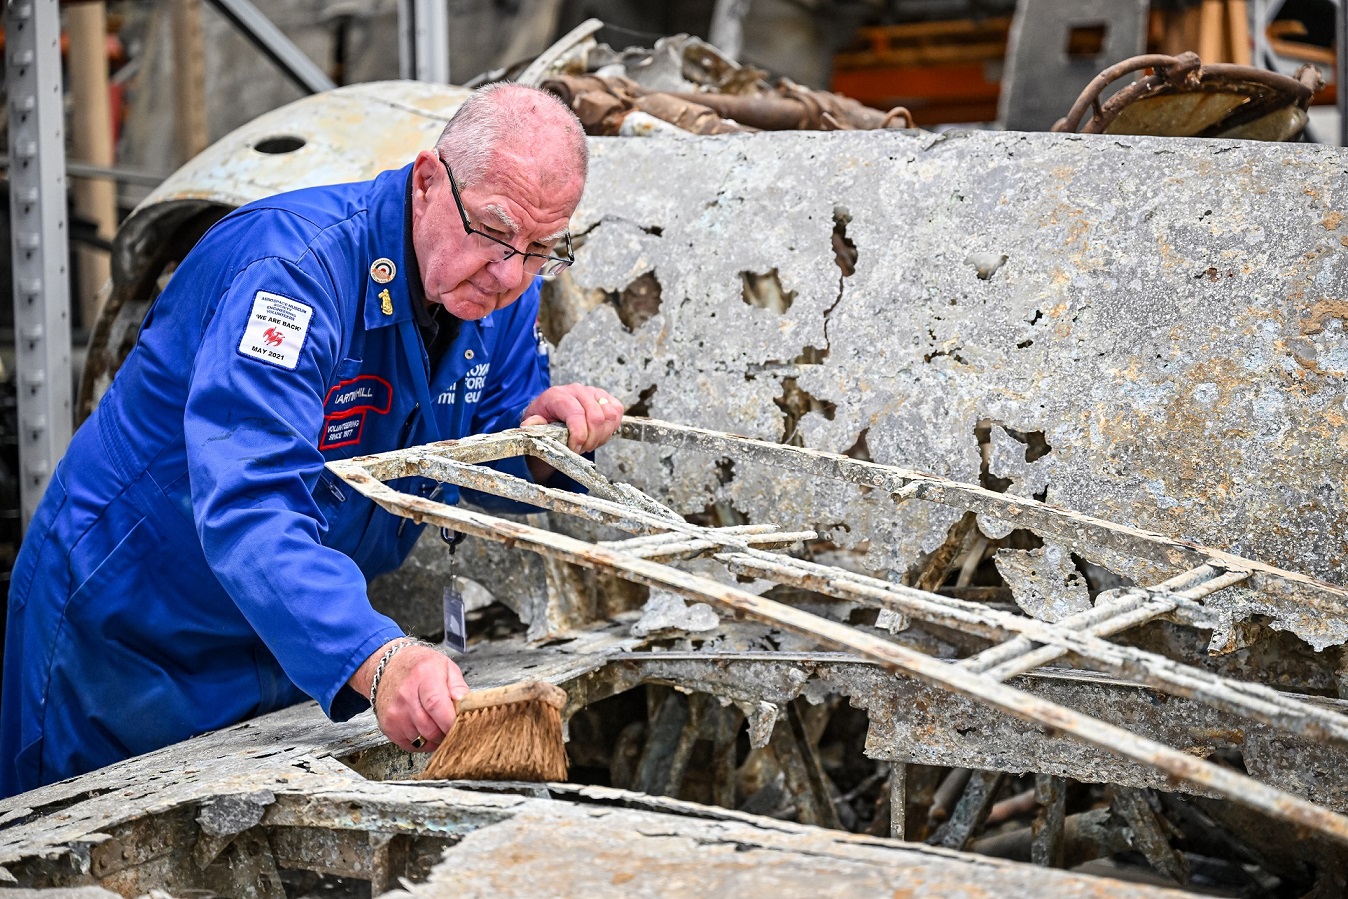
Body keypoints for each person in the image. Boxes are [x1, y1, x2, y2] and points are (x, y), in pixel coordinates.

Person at [0, 83, 623, 798]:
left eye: (542, 247)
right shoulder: (295, 273)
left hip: (276, 632)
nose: (511, 273)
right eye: (493, 231)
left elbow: (473, 447)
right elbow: (251, 500)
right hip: (130, 626)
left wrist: (543, 443)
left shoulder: (499, 289)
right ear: (427, 183)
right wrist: (377, 655)